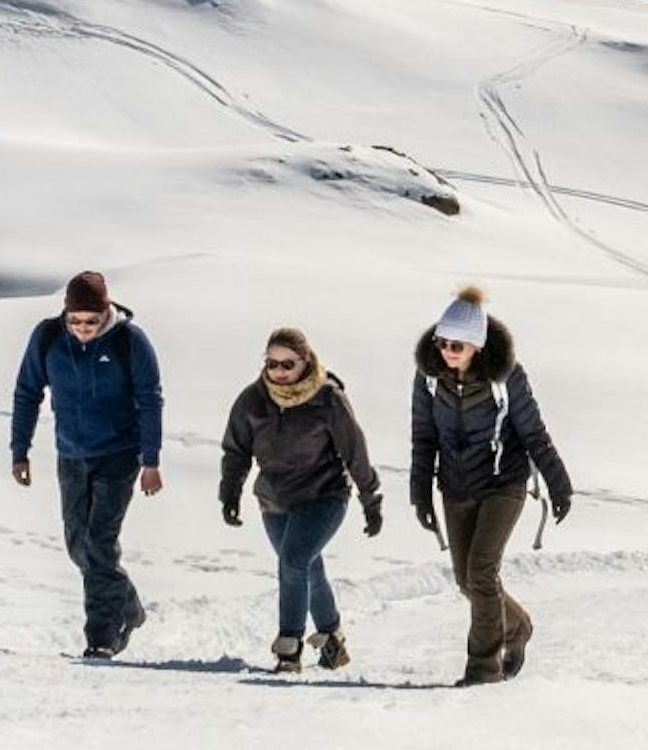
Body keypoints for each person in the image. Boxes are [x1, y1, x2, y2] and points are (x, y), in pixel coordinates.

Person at [406, 286, 572, 685]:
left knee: (481, 572)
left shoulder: (507, 377)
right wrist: (420, 492)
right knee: (467, 580)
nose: (447, 350)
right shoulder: (429, 378)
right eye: (442, 342)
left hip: (503, 483)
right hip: (455, 486)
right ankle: (516, 627)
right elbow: (423, 436)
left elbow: (533, 432)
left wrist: (558, 482)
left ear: (477, 345)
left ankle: (483, 669)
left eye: (457, 345)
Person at [9, 269, 165, 660]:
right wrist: (19, 451)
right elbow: (27, 392)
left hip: (119, 455)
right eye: (75, 320)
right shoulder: (47, 338)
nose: (83, 329)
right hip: (71, 456)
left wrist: (151, 460)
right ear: (65, 314)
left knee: (98, 543)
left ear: (106, 312)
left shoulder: (130, 341)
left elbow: (150, 399)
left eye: (91, 321)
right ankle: (128, 607)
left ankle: (102, 636)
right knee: (78, 546)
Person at [218, 326, 383, 675]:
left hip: (324, 496)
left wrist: (371, 499)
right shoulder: (253, 399)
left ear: (305, 362)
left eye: (287, 364)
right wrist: (229, 492)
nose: (278, 372)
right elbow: (236, 450)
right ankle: (332, 637)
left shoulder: (328, 399)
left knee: (292, 561)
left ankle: (289, 649)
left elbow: (355, 452)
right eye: (272, 363)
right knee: (307, 567)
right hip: (275, 500)